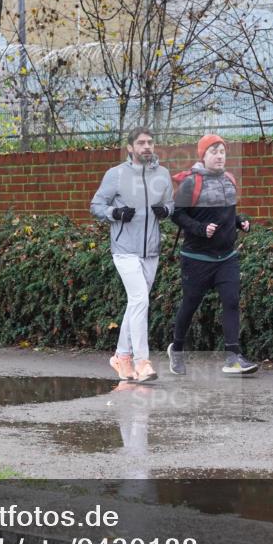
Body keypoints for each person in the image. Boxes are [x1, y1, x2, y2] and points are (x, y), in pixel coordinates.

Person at [167, 134, 258, 375]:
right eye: (214, 152)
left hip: (226, 258)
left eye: (222, 152)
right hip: (197, 259)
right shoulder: (191, 183)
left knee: (231, 302)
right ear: (203, 156)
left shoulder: (229, 179)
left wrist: (240, 222)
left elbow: (226, 215)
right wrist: (199, 229)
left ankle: (232, 357)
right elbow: (177, 214)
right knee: (190, 304)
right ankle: (176, 349)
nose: (219, 156)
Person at [90, 127, 174, 383]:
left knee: (136, 303)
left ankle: (121, 358)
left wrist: (166, 211)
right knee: (140, 300)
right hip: (124, 249)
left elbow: (171, 204)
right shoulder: (115, 175)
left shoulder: (163, 174)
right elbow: (96, 205)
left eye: (150, 142)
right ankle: (142, 362)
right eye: (141, 143)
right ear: (130, 148)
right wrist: (114, 213)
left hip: (151, 249)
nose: (147, 147)